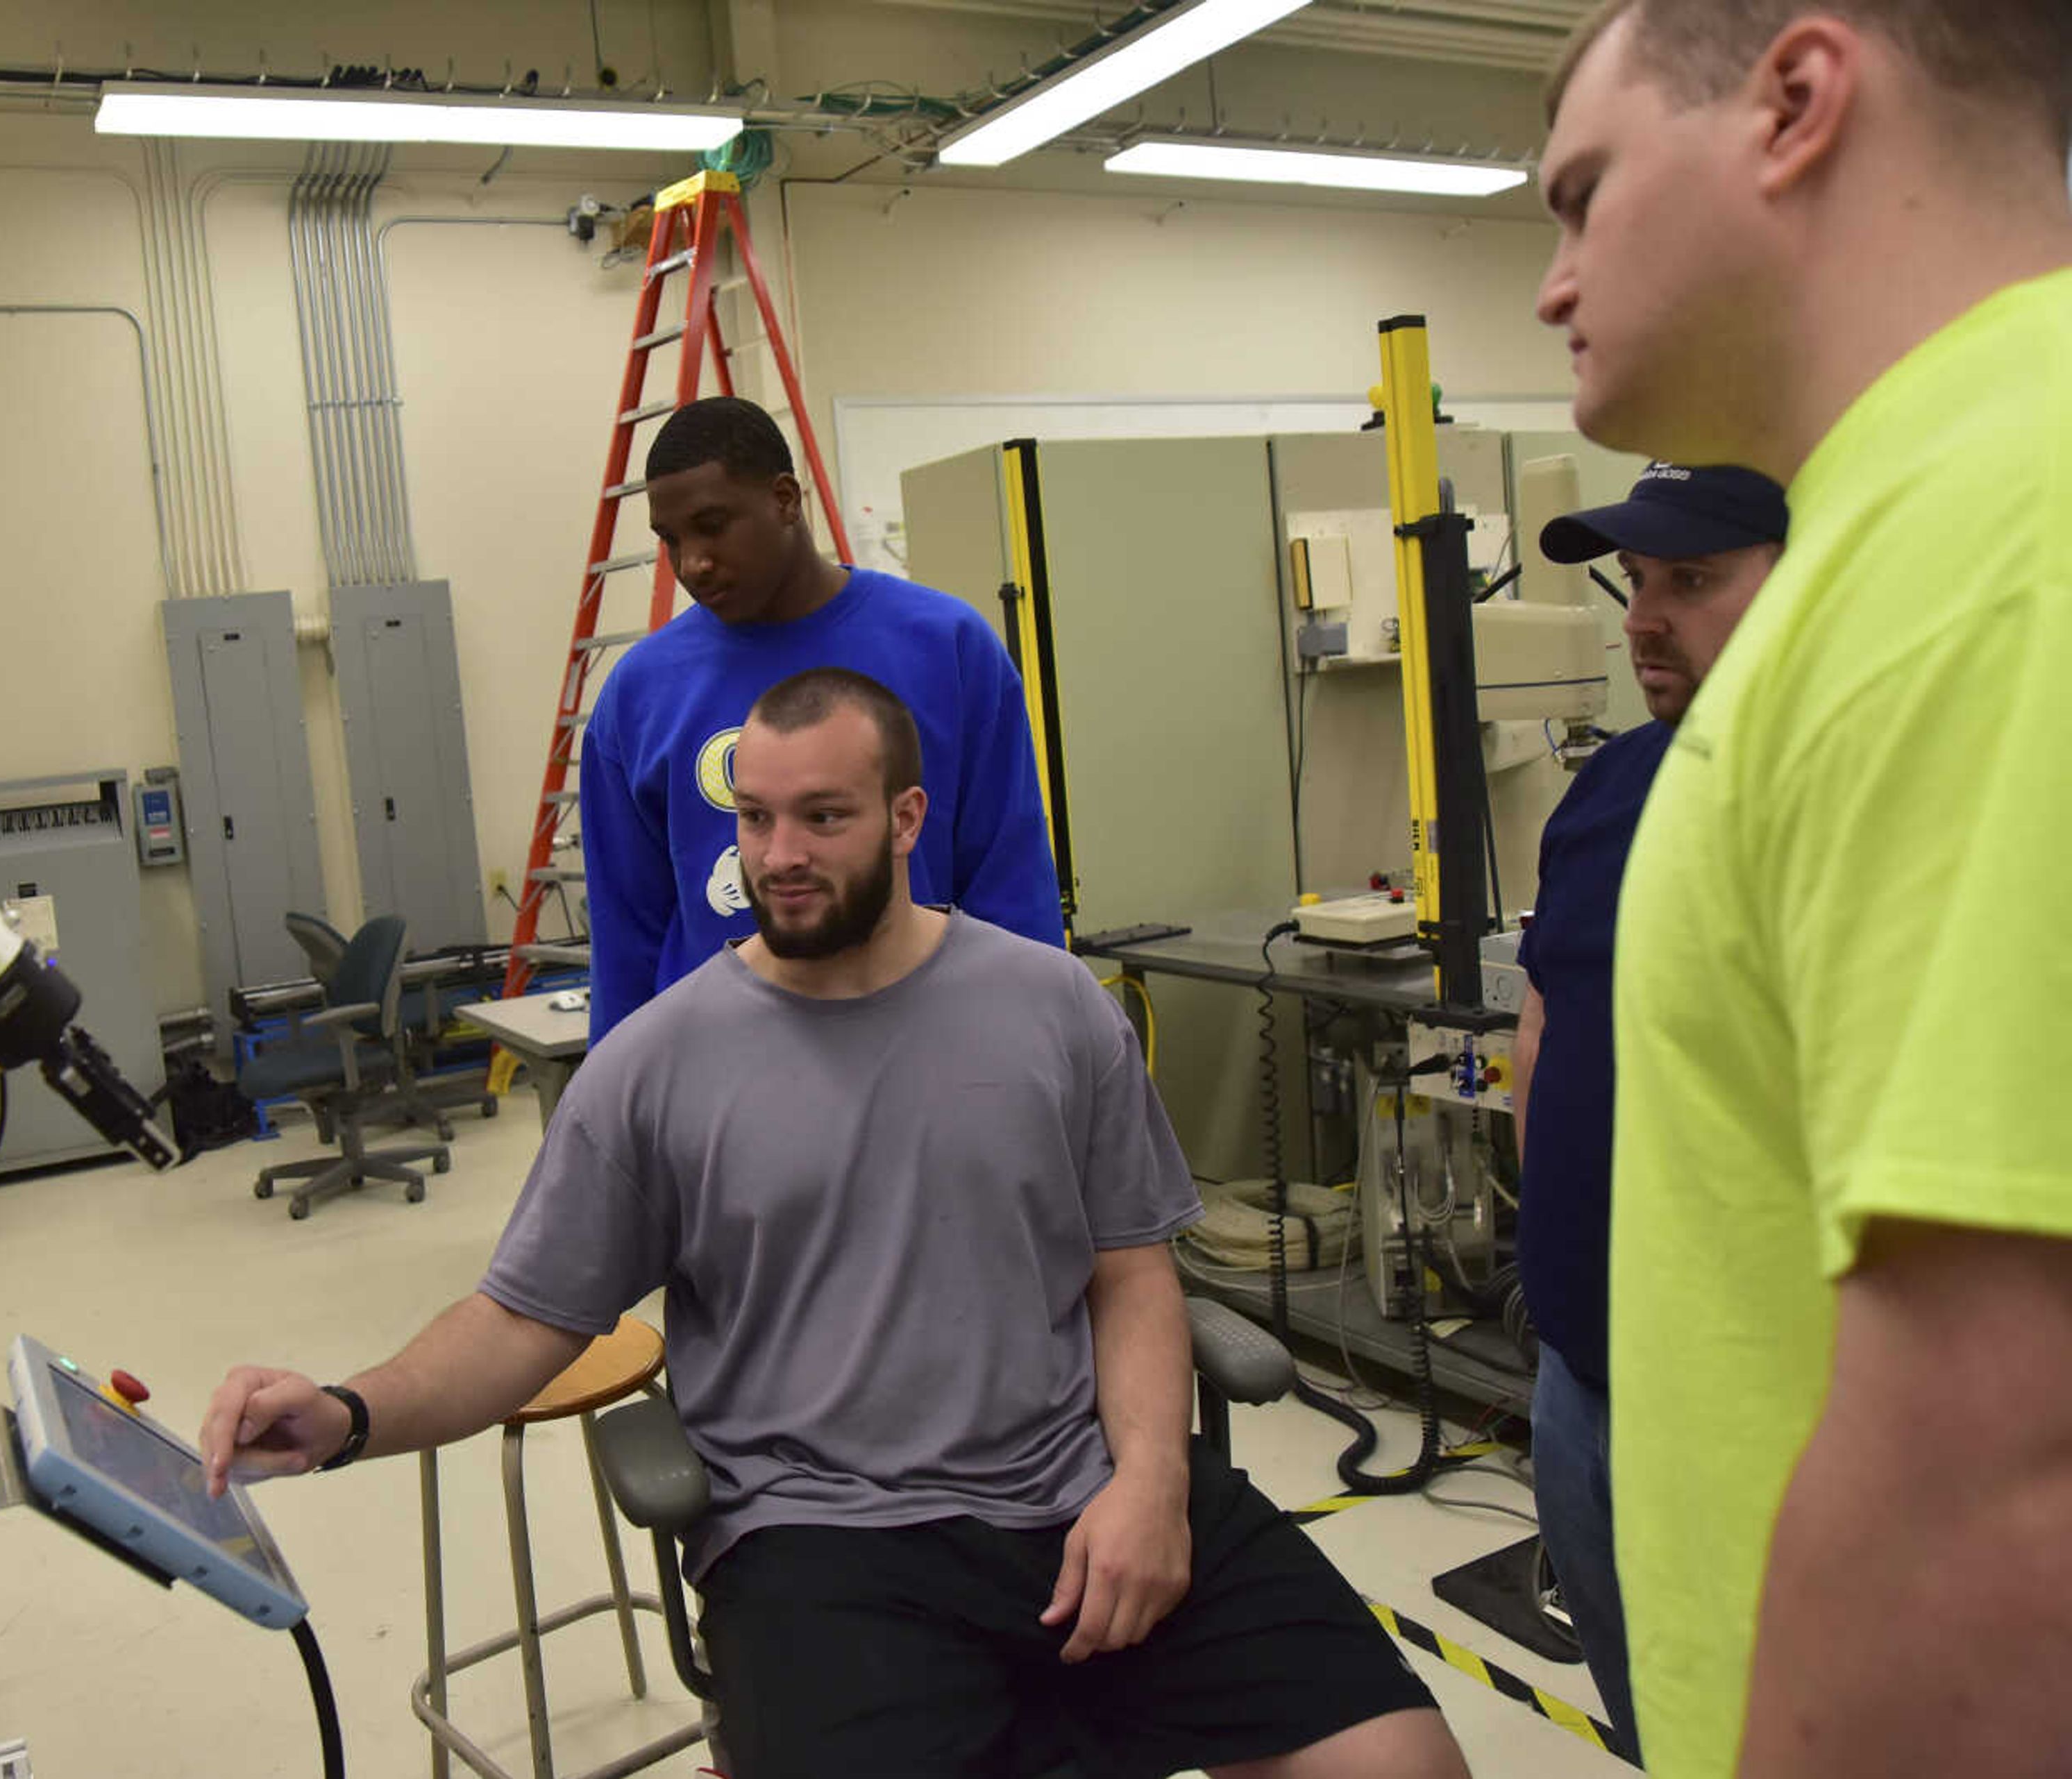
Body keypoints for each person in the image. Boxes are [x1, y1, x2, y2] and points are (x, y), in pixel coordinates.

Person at [205, 670, 1468, 1779]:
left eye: (824, 815)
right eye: (755, 817)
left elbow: (1130, 1271)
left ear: (908, 817)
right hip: (823, 1542)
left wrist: (1148, 1486)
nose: (781, 853)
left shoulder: (1052, 1008)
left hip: (1076, 1492)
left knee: (1402, 1760)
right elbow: (519, 1320)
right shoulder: (655, 1066)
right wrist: (346, 1412)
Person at [1537, 3, 2072, 1773]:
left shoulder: (1996, 535)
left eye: (1580, 193)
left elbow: (2012, 1476)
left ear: (1793, 99)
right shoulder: (1905, 529)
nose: (1550, 282)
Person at [1509, 462, 1789, 1759]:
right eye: (1637, 583)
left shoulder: (1835, 796)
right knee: (1653, 1717)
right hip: (1581, 1367)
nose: (1641, 616)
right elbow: (1547, 1017)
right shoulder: (1607, 790)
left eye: (1693, 579)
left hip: (1755, 1397)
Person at [578, 395, 1061, 1042]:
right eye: (671, 540)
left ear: (784, 499)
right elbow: (626, 931)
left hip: (924, 1050)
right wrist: (621, 1099)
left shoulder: (947, 647)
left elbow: (1010, 883)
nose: (693, 562)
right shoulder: (639, 693)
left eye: (712, 525)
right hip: (722, 1069)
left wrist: (1036, 1050)